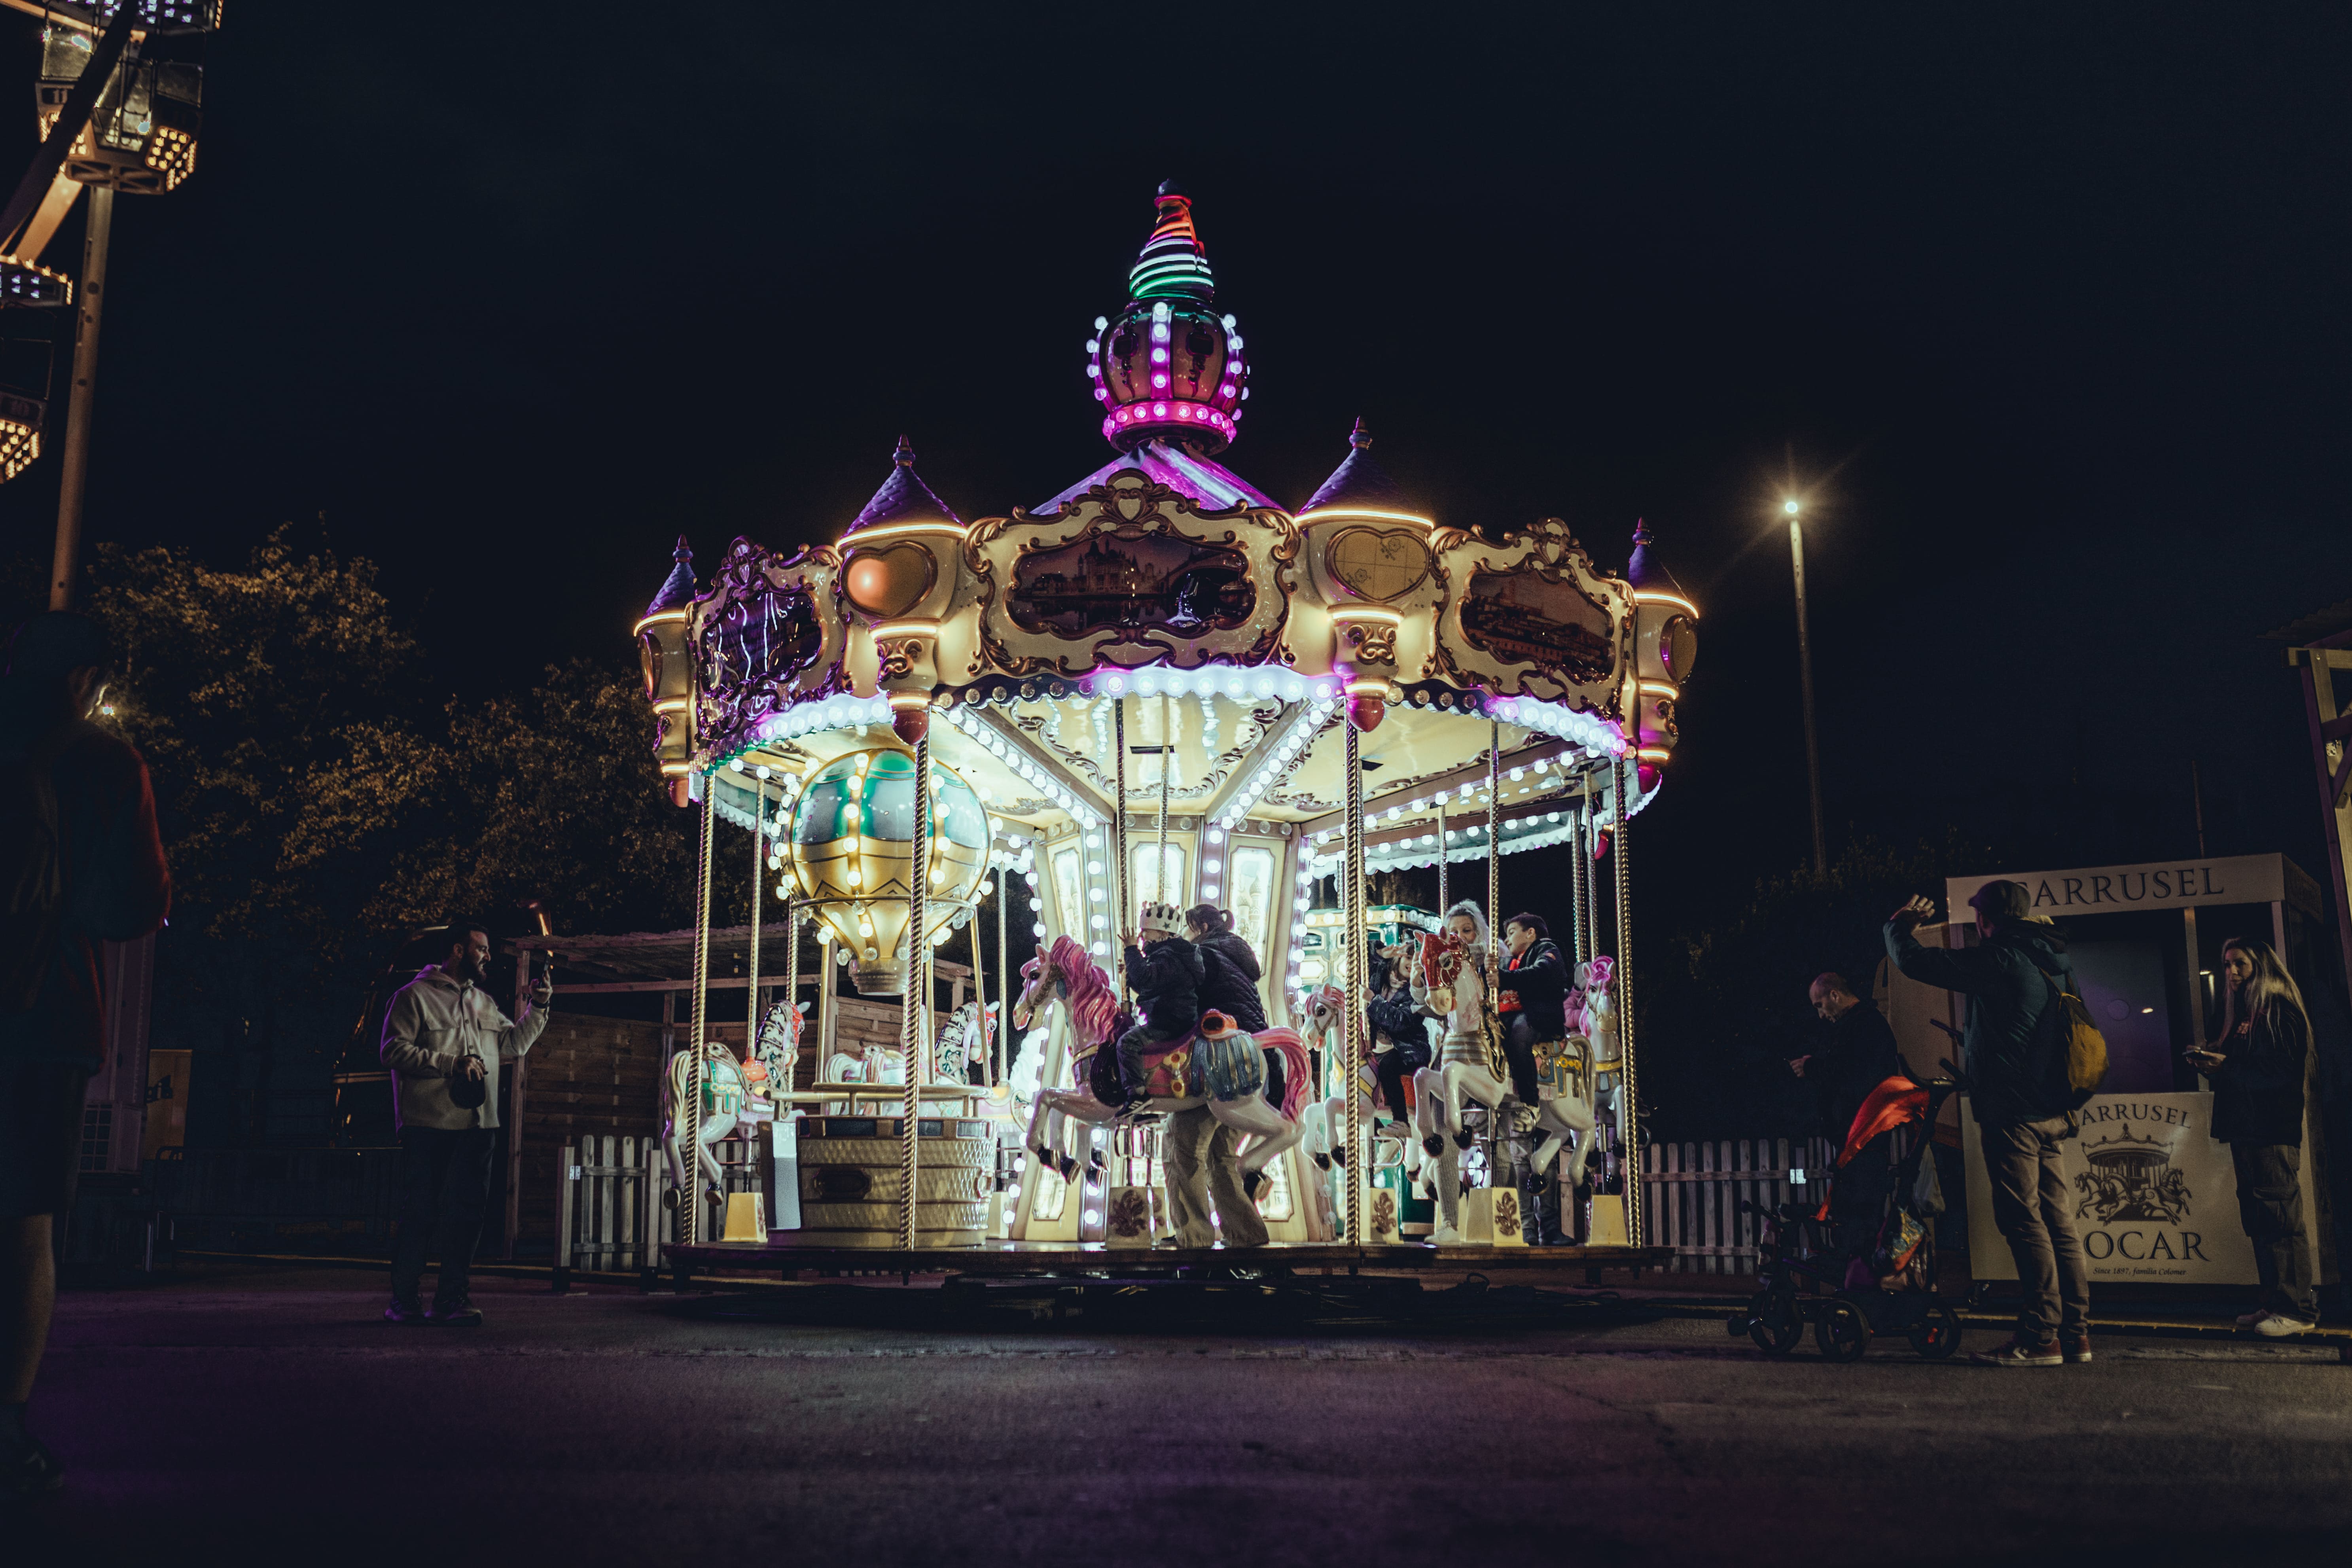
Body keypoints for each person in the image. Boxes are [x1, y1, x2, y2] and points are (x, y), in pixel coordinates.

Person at [0, 612, 172, 1499]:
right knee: (26, 1225)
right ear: (86, 679)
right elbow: (137, 904)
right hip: (45, 1016)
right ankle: (7, 1426)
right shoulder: (106, 764)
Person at [1886, 881, 2088, 1368]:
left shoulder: (2002, 958)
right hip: (2052, 1109)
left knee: (2024, 1222)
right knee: (2059, 1221)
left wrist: (1898, 927)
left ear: (1986, 920)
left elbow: (1917, 963)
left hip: (2014, 1113)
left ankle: (2041, 1338)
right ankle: (2076, 1334)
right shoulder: (2053, 962)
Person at [380, 920, 552, 1325]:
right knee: (420, 1212)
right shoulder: (414, 997)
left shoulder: (485, 1003)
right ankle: (403, 1299)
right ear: (458, 951)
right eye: (482, 949)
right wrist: (450, 1063)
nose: (488, 956)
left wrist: (538, 1007)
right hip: (429, 1123)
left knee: (468, 1215)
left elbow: (513, 1044)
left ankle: (452, 1298)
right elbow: (391, 1050)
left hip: (479, 1126)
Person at [2189, 937, 2318, 1335]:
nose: (2231, 973)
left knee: (2280, 1218)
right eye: (2227, 964)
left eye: (2240, 964)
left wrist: (2224, 1066)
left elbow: (2277, 1075)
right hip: (2249, 1128)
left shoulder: (2278, 1011)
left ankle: (2297, 1309)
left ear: (2261, 966)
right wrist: (2216, 1059)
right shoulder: (2245, 1012)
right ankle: (2276, 1301)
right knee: (2262, 1218)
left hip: (2270, 1129)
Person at [1794, 972, 1908, 1252]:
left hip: (1863, 1137)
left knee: (1858, 1215)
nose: (1821, 1015)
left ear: (1835, 995)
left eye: (1820, 1005)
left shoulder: (1863, 1026)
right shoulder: (1863, 1025)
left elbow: (1849, 1077)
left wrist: (1812, 1068)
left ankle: (1858, 1277)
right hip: (1859, 1137)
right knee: (1855, 1212)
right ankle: (1857, 1274)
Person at [1499, 914, 1570, 1243]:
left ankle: (1529, 1100)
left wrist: (1505, 976)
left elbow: (1543, 975)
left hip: (1542, 1020)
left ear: (1530, 933)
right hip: (1517, 1016)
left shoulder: (1546, 950)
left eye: (1513, 932)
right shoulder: (1512, 959)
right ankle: (1527, 1229)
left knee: (1518, 1033)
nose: (1509, 938)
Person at [1114, 902, 1202, 1105]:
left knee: (1128, 1043)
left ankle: (1138, 1095)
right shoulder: (1172, 954)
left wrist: (1131, 951)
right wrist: (1130, 970)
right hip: (1171, 1017)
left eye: (1146, 931)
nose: (1142, 936)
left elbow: (1146, 979)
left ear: (1162, 932)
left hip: (1170, 1021)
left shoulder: (1170, 955)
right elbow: (1149, 987)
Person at [1187, 904, 1266, 1032]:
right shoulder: (1233, 948)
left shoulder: (1206, 954)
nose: (1183, 931)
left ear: (1204, 928)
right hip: (1253, 1030)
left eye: (1187, 926)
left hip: (1229, 1035)